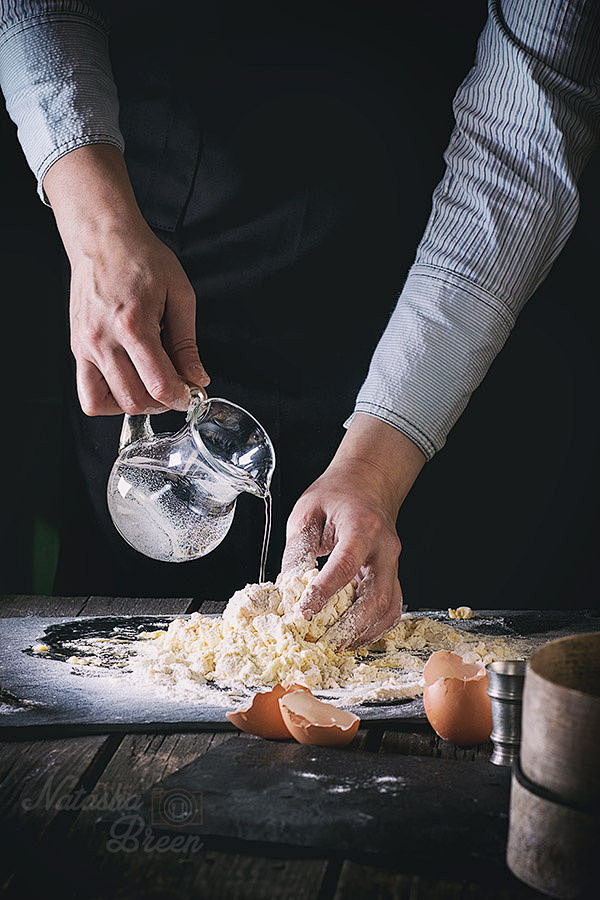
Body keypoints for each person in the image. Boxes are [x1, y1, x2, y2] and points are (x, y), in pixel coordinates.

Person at [1, 0, 598, 649]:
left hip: (429, 280)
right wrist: (99, 230)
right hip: (163, 230)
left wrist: (377, 466)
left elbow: (521, 143)